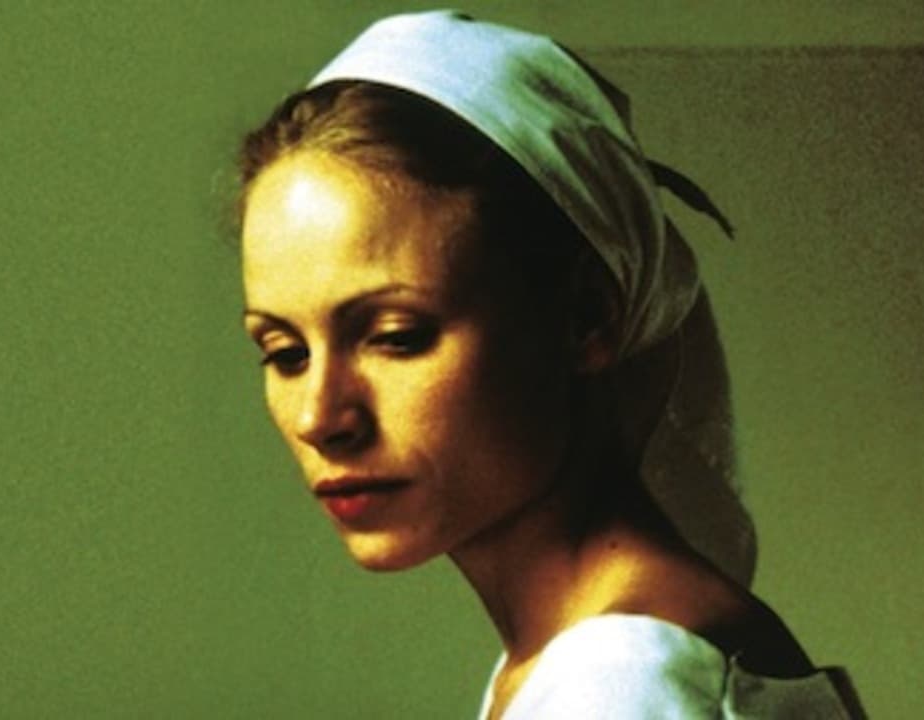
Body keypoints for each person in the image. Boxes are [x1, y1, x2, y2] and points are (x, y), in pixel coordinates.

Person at [236, 10, 863, 718]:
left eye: (395, 336)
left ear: (585, 319)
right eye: (285, 353)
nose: (320, 416)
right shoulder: (585, 659)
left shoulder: (625, 685)